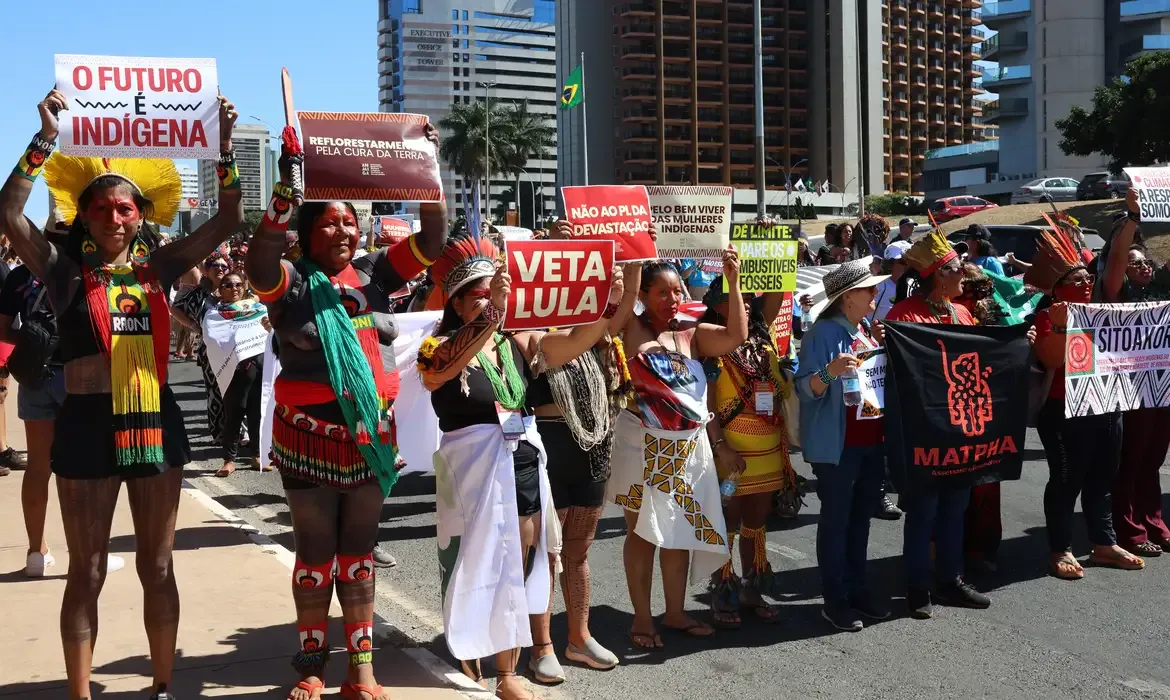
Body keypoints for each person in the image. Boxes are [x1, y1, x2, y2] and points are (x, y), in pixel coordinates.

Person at [0, 89, 243, 700]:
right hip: (85, 424)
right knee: (84, 571)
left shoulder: (158, 267)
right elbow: (7, 217)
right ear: (83, 215)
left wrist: (224, 147)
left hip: (153, 420)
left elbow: (231, 218)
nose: (115, 218)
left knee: (157, 565)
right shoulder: (58, 267)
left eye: (126, 209)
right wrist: (44, 139)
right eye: (103, 209)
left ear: (142, 214)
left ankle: (162, 687)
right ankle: (80, 694)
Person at [244, 123, 445, 700]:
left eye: (350, 221)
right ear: (306, 234)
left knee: (358, 552)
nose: (343, 228)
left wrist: (424, 161)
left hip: (368, 432)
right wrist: (286, 191)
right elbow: (260, 260)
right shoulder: (288, 283)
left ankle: (361, 670)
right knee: (314, 552)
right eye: (329, 221)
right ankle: (311, 663)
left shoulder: (377, 275)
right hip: (306, 434)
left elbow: (433, 237)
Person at [417, 234, 623, 699]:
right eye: (482, 294)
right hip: (471, 469)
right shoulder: (437, 346)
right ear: (457, 303)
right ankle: (471, 663)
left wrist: (611, 299)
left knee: (521, 564)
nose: (493, 301)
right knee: (477, 566)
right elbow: (443, 370)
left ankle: (508, 673)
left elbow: (577, 340)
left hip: (523, 461)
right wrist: (493, 316)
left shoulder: (516, 344)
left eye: (496, 292)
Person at [610, 253, 746, 650]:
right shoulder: (632, 330)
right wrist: (634, 265)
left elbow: (736, 336)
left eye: (676, 291)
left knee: (679, 533)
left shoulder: (692, 334)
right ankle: (640, 617)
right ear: (645, 297)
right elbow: (619, 309)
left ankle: (674, 611)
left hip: (688, 449)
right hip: (642, 448)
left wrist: (734, 281)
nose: (671, 299)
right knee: (643, 534)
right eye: (661, 293)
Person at [527, 221, 639, 683]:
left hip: (592, 446)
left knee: (579, 550)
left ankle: (579, 636)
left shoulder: (596, 319)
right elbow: (573, 343)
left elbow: (623, 308)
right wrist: (605, 294)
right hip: (550, 444)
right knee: (546, 553)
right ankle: (541, 646)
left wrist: (632, 254)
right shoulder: (530, 327)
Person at [886, 228, 992, 618]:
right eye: (956, 270)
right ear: (939, 274)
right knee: (924, 509)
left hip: (960, 428)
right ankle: (917, 586)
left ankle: (950, 579)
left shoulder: (963, 313)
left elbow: (981, 361)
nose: (963, 275)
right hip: (924, 431)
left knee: (955, 506)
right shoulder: (903, 315)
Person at [1030, 219, 1144, 578]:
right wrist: (1063, 326)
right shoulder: (1046, 316)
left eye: (1085, 278)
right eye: (1075, 280)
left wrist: (1130, 220)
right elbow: (1051, 359)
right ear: (1057, 289)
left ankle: (1104, 543)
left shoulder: (1103, 311)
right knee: (1067, 480)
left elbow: (1114, 268)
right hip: (1064, 409)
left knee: (1103, 478)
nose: (1085, 283)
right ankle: (1059, 549)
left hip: (1108, 405)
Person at [796, 258, 891, 631]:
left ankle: (857, 589)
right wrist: (829, 372)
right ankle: (835, 599)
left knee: (860, 521)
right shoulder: (821, 334)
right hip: (839, 446)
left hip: (870, 440)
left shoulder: (864, 327)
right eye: (869, 290)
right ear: (848, 297)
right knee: (837, 523)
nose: (875, 294)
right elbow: (805, 389)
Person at [702, 276, 796, 628]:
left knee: (757, 521)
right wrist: (719, 446)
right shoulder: (711, 341)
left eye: (745, 298)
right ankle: (722, 590)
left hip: (769, 449)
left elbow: (776, 288)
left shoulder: (761, 334)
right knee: (727, 521)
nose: (742, 303)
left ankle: (751, 588)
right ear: (716, 305)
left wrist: (772, 252)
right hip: (732, 456)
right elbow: (707, 403)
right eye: (732, 297)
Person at [1102, 191, 1170, 557]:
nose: (1143, 267)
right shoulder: (1117, 290)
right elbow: (1115, 259)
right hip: (1131, 387)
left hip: (1164, 386)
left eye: (1146, 262)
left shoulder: (1160, 290)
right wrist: (1131, 218)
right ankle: (1128, 528)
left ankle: (1154, 522)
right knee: (1131, 458)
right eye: (1135, 263)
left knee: (1154, 458)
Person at [206, 272, 269, 477]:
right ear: (220, 289)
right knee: (234, 414)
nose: (234, 288)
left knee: (257, 412)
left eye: (238, 284)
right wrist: (237, 349)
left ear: (244, 287)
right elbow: (214, 341)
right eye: (228, 285)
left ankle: (257, 455)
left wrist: (270, 328)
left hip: (260, 366)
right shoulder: (214, 315)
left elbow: (271, 334)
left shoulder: (259, 309)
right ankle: (229, 460)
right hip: (235, 371)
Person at [172, 255, 231, 444]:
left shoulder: (236, 289)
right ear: (207, 269)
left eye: (224, 265)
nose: (220, 268)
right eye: (216, 265)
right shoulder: (198, 294)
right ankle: (219, 432)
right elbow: (175, 308)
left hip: (237, 351)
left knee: (236, 391)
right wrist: (193, 326)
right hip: (210, 351)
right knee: (215, 391)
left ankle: (239, 431)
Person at [872, 240, 911, 323]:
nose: (908, 266)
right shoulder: (879, 287)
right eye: (903, 262)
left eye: (910, 261)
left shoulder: (914, 286)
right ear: (890, 265)